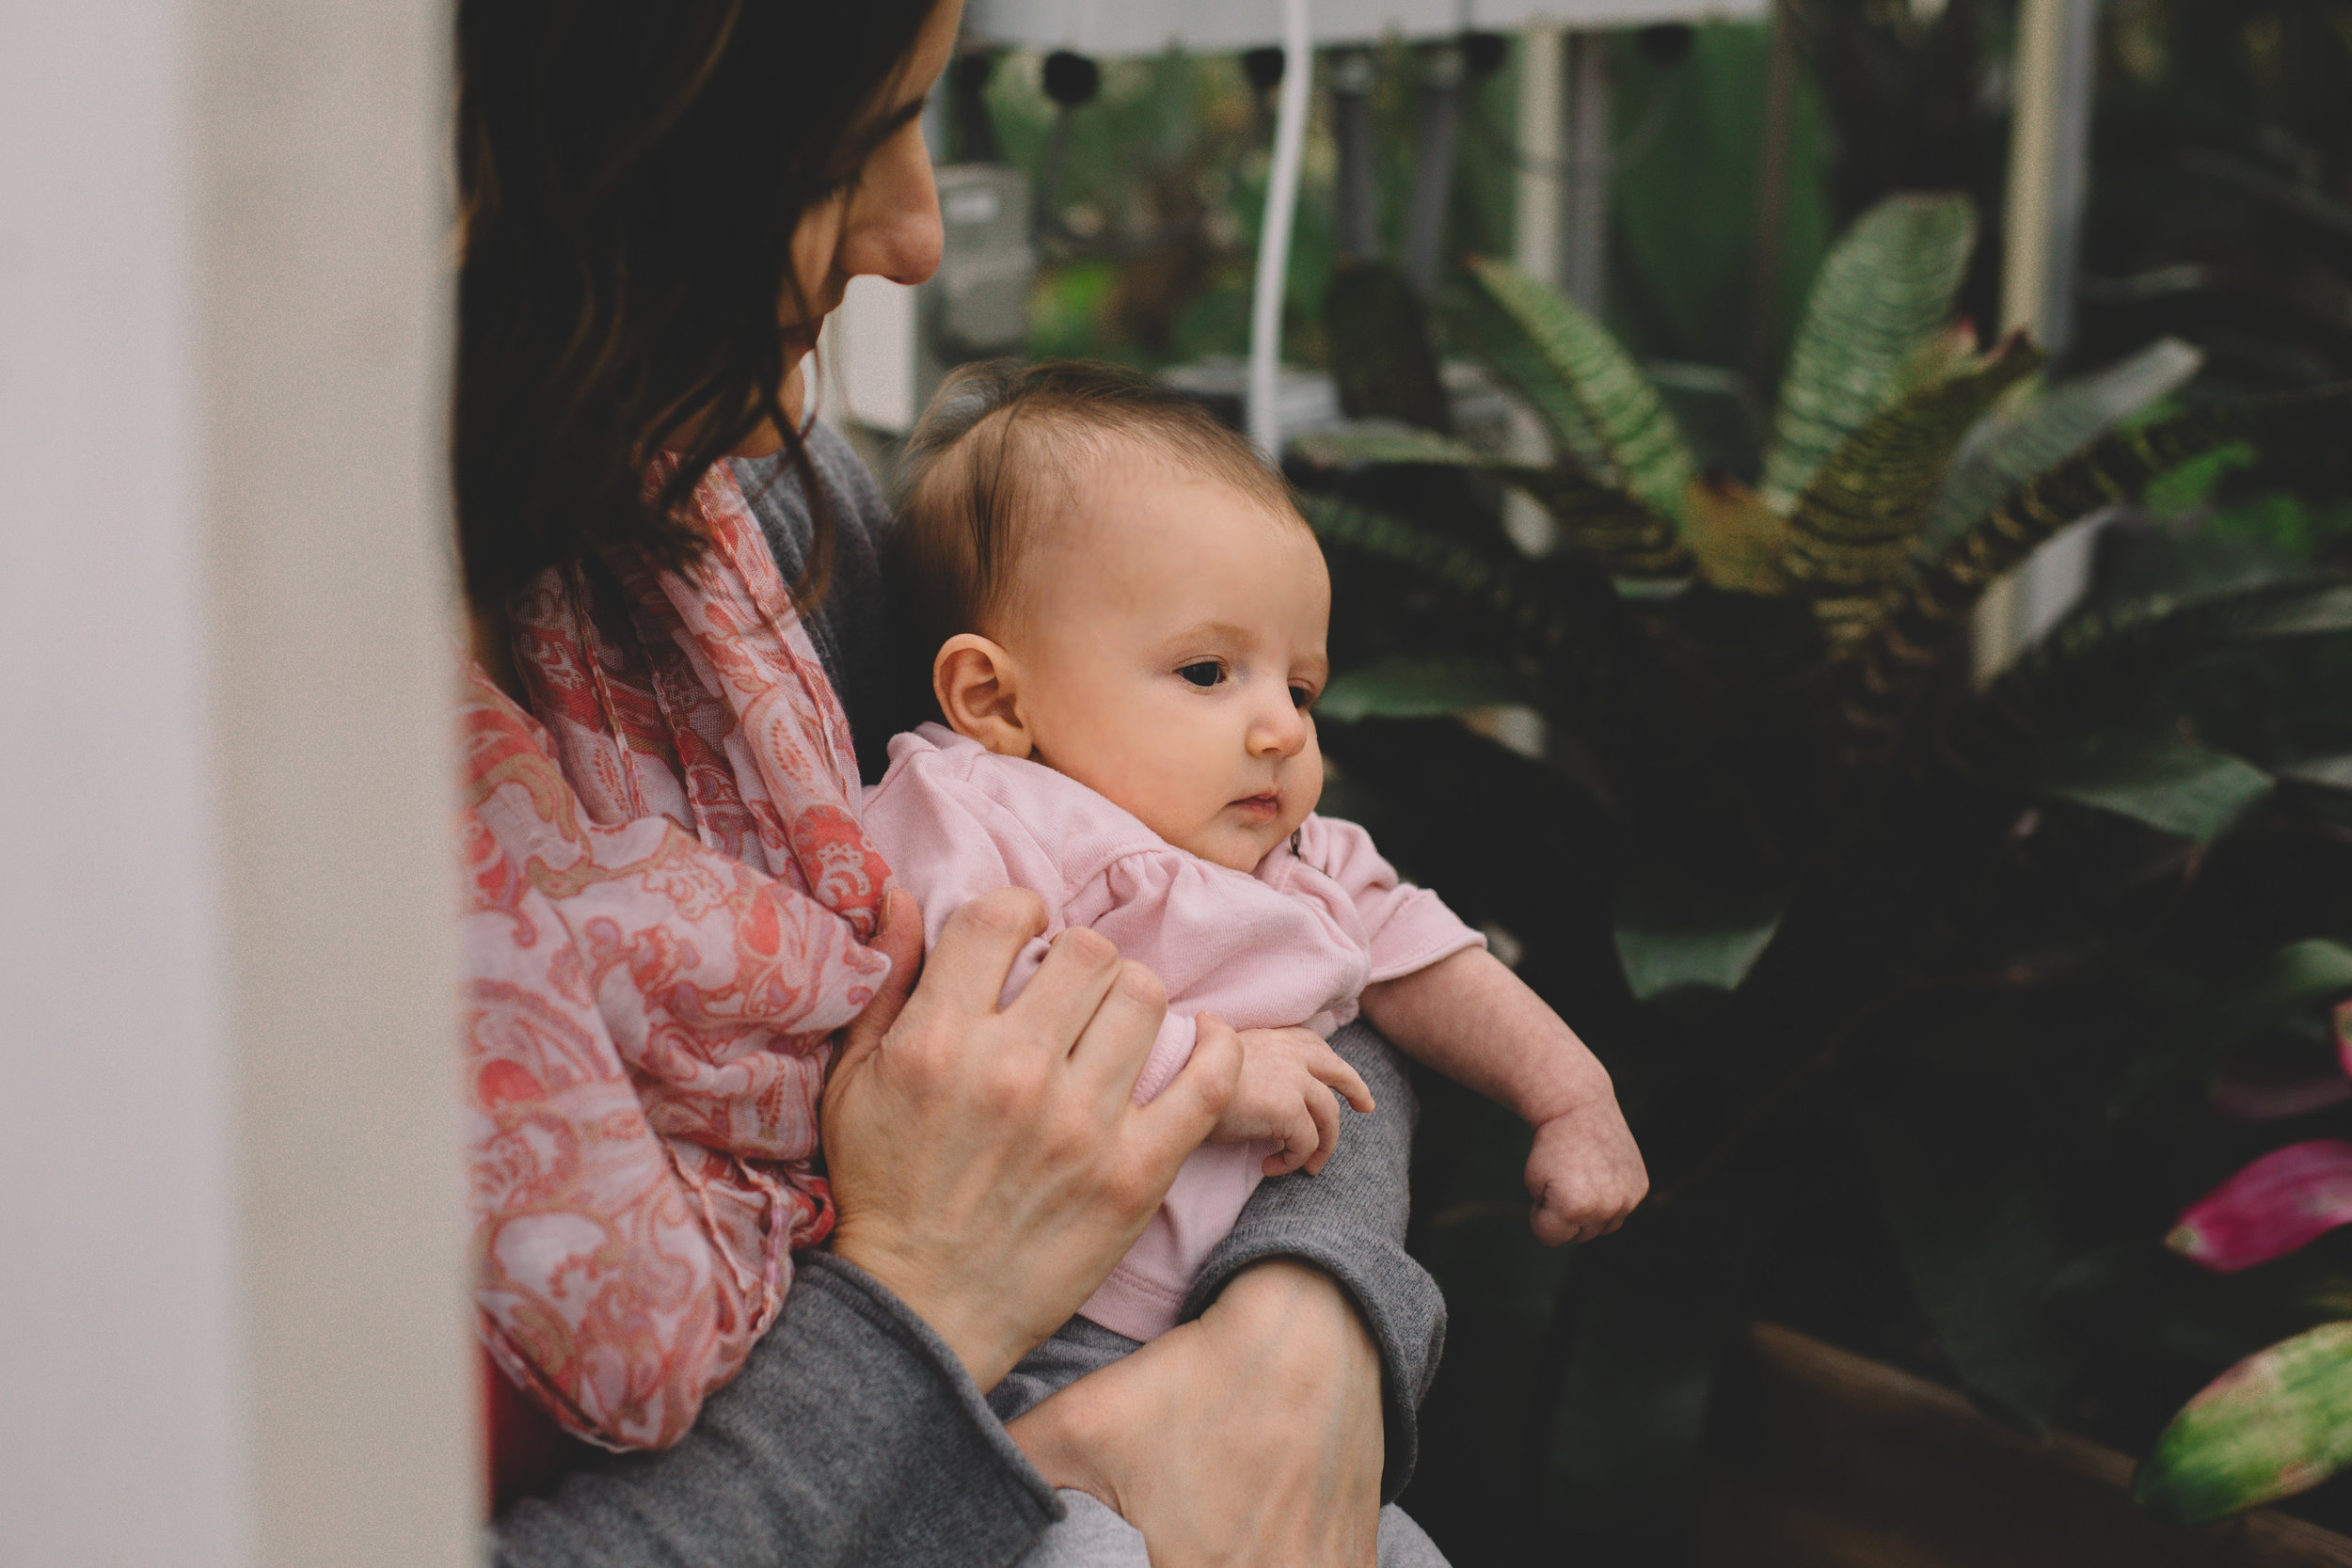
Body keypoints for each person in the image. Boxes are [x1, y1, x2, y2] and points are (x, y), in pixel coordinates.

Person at [455, 1, 1452, 1562]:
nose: (918, 236)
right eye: (846, 146)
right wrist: (926, 1302)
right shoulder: (168, 831)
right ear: (536, 158)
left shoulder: (747, 533)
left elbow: (1288, 920)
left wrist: (1299, 1322)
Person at [854, 363, 1648, 1561]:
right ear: (992, 694)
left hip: (1231, 1349)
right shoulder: (975, 804)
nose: (1279, 723)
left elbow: (1427, 957)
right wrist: (1209, 1075)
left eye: (1302, 683)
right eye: (1207, 672)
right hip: (1025, 1350)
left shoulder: (1297, 852)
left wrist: (1571, 1092)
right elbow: (962, 1010)